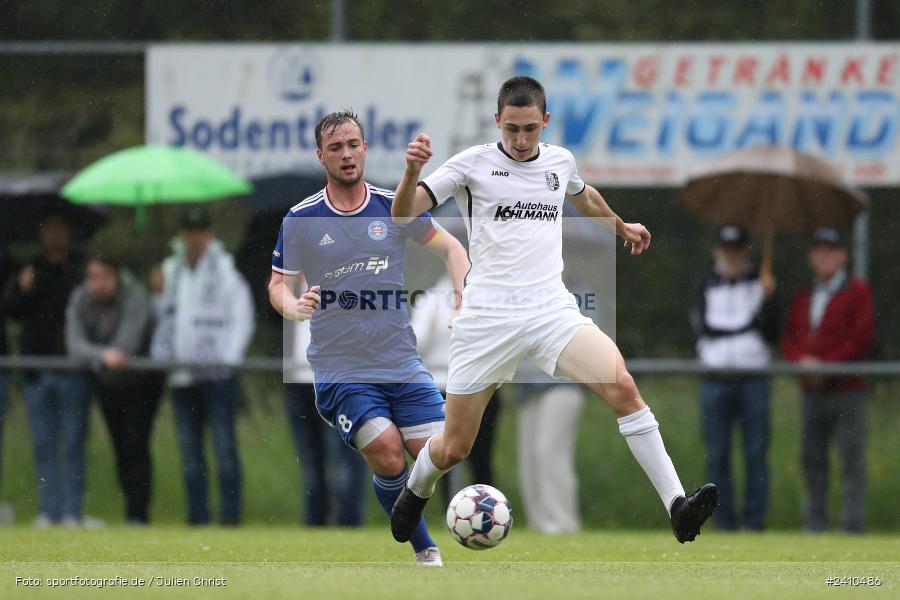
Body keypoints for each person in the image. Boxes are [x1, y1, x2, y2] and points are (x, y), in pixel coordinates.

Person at [389, 76, 717, 545]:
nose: (521, 141)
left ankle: (678, 506)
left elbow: (584, 197)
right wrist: (409, 172)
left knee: (622, 385)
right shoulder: (471, 165)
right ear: (496, 121)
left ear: (545, 122)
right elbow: (402, 215)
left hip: (550, 310)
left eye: (530, 129)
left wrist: (622, 227)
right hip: (487, 319)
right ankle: (416, 489)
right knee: (455, 447)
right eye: (511, 130)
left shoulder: (560, 161)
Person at [268, 111, 469, 566]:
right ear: (321, 155)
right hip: (341, 368)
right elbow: (278, 283)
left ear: (364, 148)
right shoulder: (301, 219)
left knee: (440, 452)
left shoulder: (391, 207)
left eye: (353, 144)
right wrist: (291, 306)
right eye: (335, 147)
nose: (346, 154)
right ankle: (426, 550)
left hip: (401, 361)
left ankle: (413, 506)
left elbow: (453, 249)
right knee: (386, 451)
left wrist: (462, 297)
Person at [152, 209, 255, 526]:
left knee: (224, 448)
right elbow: (165, 321)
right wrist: (156, 293)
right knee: (189, 452)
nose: (195, 238)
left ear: (210, 234)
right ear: (182, 235)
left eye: (201, 230)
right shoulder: (171, 274)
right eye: (190, 231)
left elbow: (242, 319)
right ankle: (197, 517)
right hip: (182, 375)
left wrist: (228, 360)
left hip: (217, 375)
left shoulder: (226, 273)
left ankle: (230, 518)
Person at [782, 227, 874, 533]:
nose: (825, 256)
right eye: (819, 250)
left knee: (851, 462)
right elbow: (791, 338)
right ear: (811, 256)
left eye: (831, 250)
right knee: (812, 461)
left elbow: (860, 339)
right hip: (811, 391)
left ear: (843, 256)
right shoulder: (804, 294)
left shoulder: (857, 291)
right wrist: (802, 363)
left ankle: (851, 526)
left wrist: (826, 366)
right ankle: (815, 525)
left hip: (846, 390)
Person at [690, 225, 778, 531]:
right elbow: (706, 328)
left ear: (745, 253)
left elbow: (772, 333)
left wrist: (767, 301)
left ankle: (754, 521)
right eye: (726, 250)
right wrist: (745, 324)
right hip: (715, 379)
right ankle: (722, 521)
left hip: (752, 378)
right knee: (717, 455)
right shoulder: (704, 284)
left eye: (737, 250)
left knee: (756, 453)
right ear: (717, 252)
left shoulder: (761, 284)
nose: (731, 256)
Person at [66, 255, 163, 524]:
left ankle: (138, 513)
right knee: (120, 445)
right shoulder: (80, 299)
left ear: (116, 277)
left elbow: (125, 348)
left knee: (136, 443)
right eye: (92, 278)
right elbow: (74, 346)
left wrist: (99, 355)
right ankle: (131, 510)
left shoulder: (136, 298)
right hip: (108, 380)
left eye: (103, 277)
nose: (98, 284)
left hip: (143, 381)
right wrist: (102, 355)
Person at [7, 212, 90, 527]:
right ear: (41, 233)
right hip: (36, 369)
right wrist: (22, 287)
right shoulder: (30, 269)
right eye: (49, 228)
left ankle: (71, 512)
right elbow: (13, 312)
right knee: (43, 443)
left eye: (61, 228)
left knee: (72, 443)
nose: (55, 235)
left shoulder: (80, 268)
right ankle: (47, 510)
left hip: (72, 367)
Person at [284, 318, 368, 526]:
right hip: (299, 385)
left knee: (344, 457)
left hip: (338, 381)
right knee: (311, 460)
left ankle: (348, 522)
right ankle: (315, 522)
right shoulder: (293, 295)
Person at [516, 383, 583, 534]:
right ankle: (537, 522)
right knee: (528, 460)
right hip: (527, 391)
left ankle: (563, 522)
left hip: (562, 385)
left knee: (549, 454)